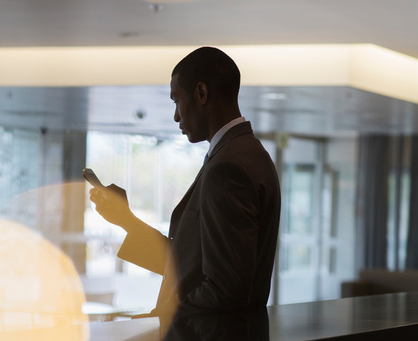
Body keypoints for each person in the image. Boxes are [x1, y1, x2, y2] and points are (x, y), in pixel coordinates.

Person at [90, 46, 281, 315]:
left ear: (201, 93)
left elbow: (225, 291)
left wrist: (161, 319)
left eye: (176, 101)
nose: (176, 116)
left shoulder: (228, 167)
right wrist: (126, 219)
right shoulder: (245, 154)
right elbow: (188, 264)